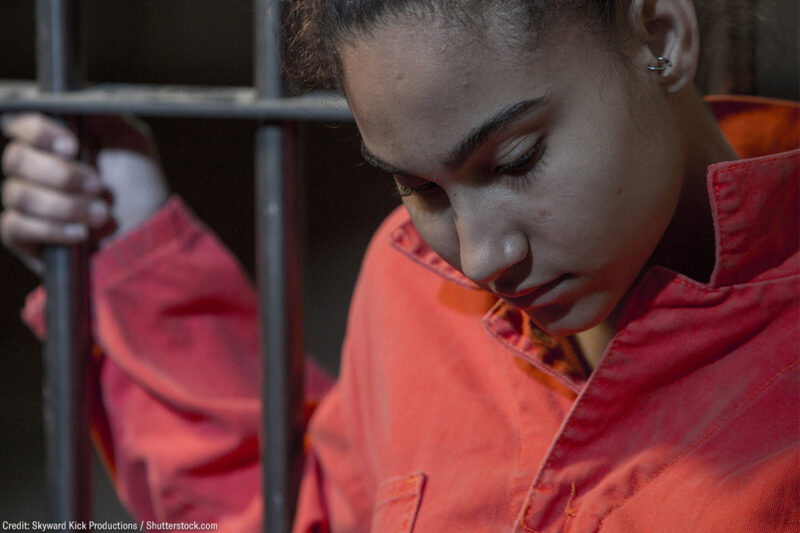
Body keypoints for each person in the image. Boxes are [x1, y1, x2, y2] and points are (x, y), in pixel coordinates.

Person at [2, 0, 798, 531]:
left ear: (660, 37)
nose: (483, 256)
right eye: (420, 186)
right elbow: (304, 511)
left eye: (516, 159)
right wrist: (132, 243)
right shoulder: (415, 283)